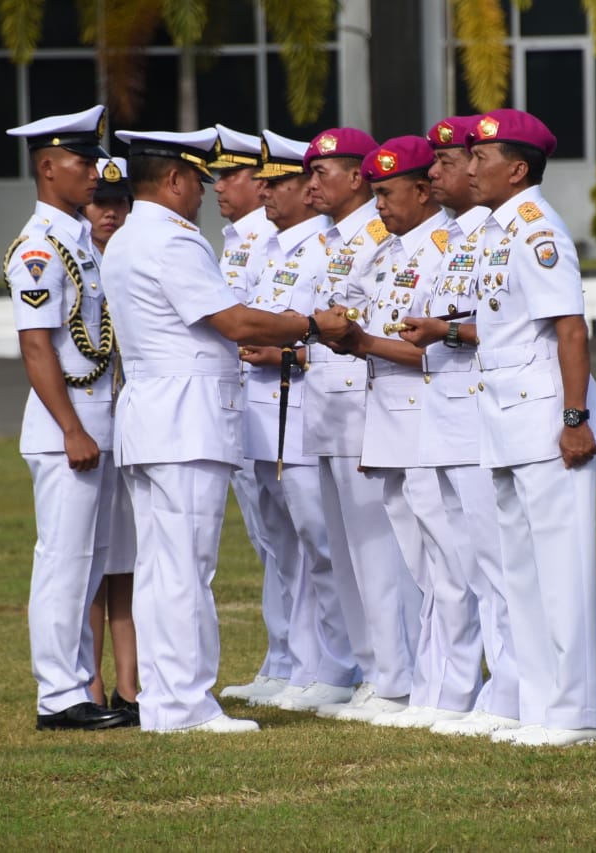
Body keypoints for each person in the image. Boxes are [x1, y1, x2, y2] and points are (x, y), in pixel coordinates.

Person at [102, 126, 353, 733]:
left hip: (149, 418)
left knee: (164, 569)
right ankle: (187, 705)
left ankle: (164, 701)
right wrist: (311, 325)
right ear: (174, 179)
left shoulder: (127, 238)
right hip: (186, 419)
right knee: (188, 567)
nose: (202, 192)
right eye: (198, 180)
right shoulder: (173, 242)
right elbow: (235, 321)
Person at [402, 108, 596, 748]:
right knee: (520, 574)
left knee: (561, 572)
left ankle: (576, 715)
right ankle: (540, 706)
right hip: (501, 421)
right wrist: (448, 331)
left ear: (517, 169)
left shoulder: (536, 228)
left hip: (549, 422)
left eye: (481, 157)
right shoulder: (494, 232)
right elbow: (500, 326)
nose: (468, 166)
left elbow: (569, 328)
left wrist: (574, 420)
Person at [336, 136, 484, 730]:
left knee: (452, 566)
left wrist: (363, 342)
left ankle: (457, 692)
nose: (378, 207)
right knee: (421, 568)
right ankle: (430, 685)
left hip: (432, 421)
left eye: (387, 194)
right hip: (393, 425)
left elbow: (440, 346)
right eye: (372, 195)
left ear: (423, 190)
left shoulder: (451, 247)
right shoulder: (387, 252)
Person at [2, 105, 138, 731]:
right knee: (64, 560)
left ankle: (78, 688)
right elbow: (37, 346)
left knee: (90, 563)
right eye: (82, 163)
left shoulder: (79, 240)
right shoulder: (38, 248)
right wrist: (72, 428)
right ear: (48, 167)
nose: (93, 173)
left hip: (98, 423)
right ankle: (57, 696)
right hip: (70, 430)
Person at [300, 128, 422, 723]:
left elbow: (366, 318)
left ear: (358, 177)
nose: (312, 183)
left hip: (362, 398)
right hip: (325, 401)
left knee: (379, 550)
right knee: (344, 550)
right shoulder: (326, 238)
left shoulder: (379, 237)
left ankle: (397, 676)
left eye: (325, 172)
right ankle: (372, 669)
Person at [240, 131, 358, 713]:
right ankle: (300, 663)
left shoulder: (322, 247)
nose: (267, 191)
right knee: (284, 549)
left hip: (307, 410)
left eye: (278, 182)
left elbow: (337, 335)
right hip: (265, 415)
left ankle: (337, 664)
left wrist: (284, 353)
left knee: (322, 544)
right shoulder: (274, 246)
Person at [412, 116, 520, 737]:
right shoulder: (458, 235)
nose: (440, 172)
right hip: (450, 413)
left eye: (451, 162)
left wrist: (442, 331)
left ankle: (510, 693)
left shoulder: (496, 233)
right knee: (473, 565)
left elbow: (507, 326)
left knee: (500, 564)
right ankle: (494, 690)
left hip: (486, 411)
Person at [207, 126, 290, 704]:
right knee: (270, 543)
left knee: (293, 542)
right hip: (242, 397)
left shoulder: (270, 234)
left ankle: (305, 661)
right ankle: (283, 658)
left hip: (274, 395)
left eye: (231, 174)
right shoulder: (237, 236)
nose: (222, 185)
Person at [80, 155, 139, 714]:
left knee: (129, 559)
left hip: (137, 425)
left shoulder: (136, 256)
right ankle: (89, 686)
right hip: (97, 424)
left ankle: (130, 685)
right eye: (99, 201)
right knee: (94, 564)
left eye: (119, 202)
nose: (109, 213)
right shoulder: (77, 264)